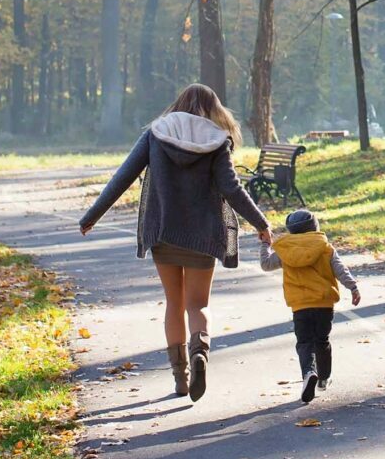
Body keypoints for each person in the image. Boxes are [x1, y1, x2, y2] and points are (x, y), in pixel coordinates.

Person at [79, 84, 272, 402]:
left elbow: (123, 176)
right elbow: (232, 189)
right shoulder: (217, 140)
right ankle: (200, 352)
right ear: (213, 108)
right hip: (203, 235)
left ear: (178, 104)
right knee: (198, 305)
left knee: (174, 304)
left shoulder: (156, 134)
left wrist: (92, 216)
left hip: (164, 232)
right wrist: (261, 224)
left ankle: (181, 379)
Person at [260, 209, 361, 403]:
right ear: (315, 226)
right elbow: (340, 269)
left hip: (300, 305)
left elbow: (266, 264)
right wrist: (353, 288)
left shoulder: (286, 249)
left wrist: (266, 244)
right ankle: (323, 378)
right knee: (322, 341)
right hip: (324, 304)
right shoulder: (324, 247)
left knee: (304, 342)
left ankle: (308, 372)